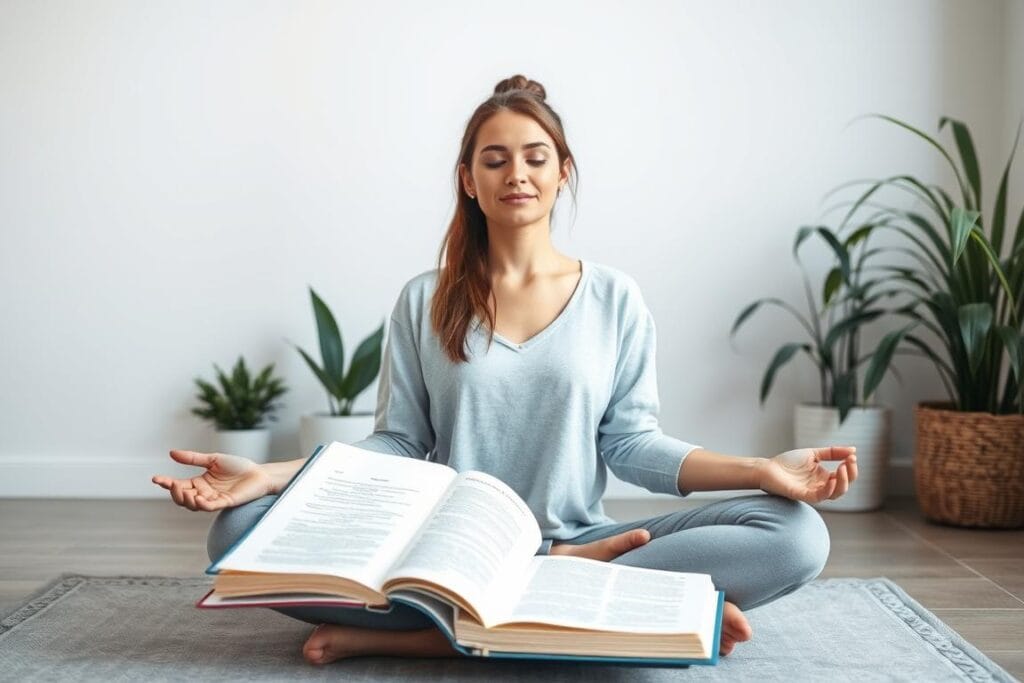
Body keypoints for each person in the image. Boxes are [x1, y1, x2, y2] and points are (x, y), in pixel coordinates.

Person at [152, 74, 857, 666]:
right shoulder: (424, 298)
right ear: (468, 178)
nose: (515, 173)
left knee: (798, 535)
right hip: (446, 549)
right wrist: (270, 474)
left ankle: (434, 633)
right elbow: (397, 444)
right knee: (238, 528)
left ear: (562, 171)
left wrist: (763, 470)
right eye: (494, 159)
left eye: (534, 156)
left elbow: (632, 445)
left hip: (586, 543)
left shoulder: (615, 297)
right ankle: (589, 613)